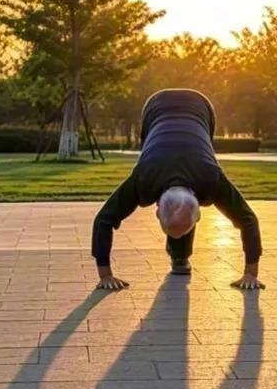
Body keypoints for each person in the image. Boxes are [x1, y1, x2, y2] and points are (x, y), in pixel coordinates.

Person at [90, 88, 264, 292]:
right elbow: (104, 219)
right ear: (156, 211)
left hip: (201, 108)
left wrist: (251, 274)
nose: (178, 235)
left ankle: (179, 257)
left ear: (199, 213)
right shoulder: (143, 178)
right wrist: (105, 275)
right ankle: (179, 257)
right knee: (176, 210)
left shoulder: (211, 178)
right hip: (154, 109)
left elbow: (247, 219)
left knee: (180, 210)